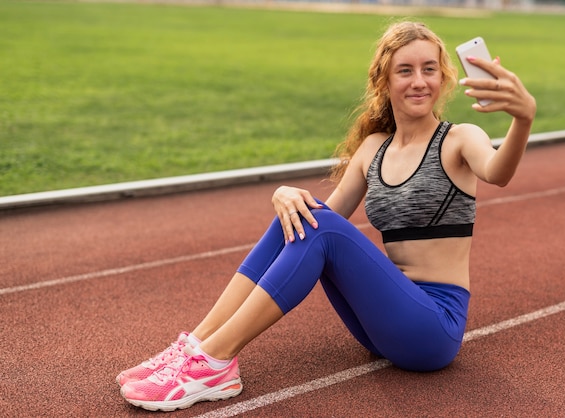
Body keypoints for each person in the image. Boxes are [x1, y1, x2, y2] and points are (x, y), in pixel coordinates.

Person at [117, 20, 536, 411]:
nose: (419, 81)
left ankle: (214, 361)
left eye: (429, 69)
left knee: (317, 225)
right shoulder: (373, 148)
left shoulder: (461, 139)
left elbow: (498, 173)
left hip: (432, 329)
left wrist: (522, 118)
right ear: (384, 81)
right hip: (380, 325)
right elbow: (316, 223)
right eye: (405, 70)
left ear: (443, 77)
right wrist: (283, 194)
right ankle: (196, 346)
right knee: (299, 215)